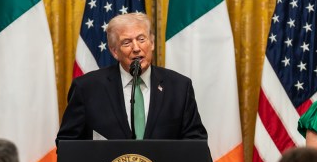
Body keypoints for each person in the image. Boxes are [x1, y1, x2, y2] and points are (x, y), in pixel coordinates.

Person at [56, 12, 206, 141]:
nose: (136, 48)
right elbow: (67, 143)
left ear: (152, 43)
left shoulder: (179, 87)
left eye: (141, 39)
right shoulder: (87, 88)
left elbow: (195, 141)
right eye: (126, 42)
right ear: (114, 51)